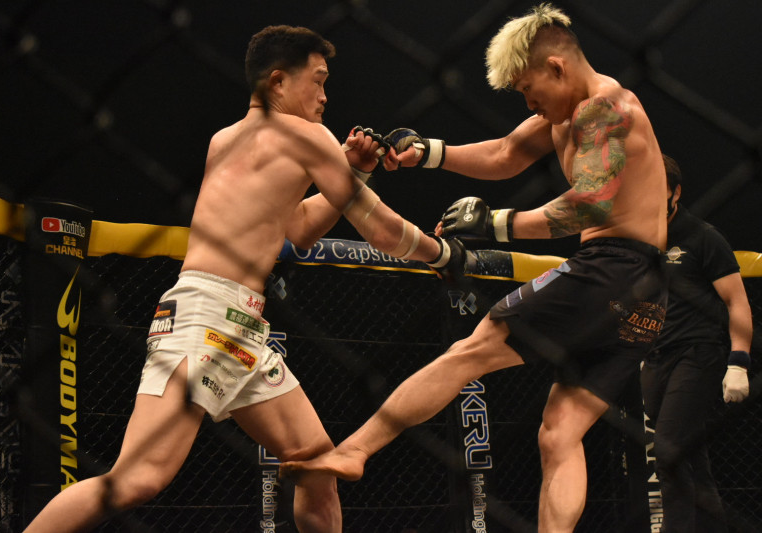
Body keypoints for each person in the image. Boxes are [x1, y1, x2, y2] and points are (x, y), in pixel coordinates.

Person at [23, 25, 464, 533]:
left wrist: (354, 173)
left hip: (239, 326)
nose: (325, 96)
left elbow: (297, 229)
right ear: (278, 81)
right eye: (318, 80)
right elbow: (381, 228)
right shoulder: (307, 136)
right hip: (207, 318)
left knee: (318, 466)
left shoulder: (226, 139)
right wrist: (442, 254)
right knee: (137, 479)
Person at [280, 4, 669, 531]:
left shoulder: (604, 109)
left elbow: (591, 204)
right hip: (644, 298)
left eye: (528, 88)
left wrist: (497, 222)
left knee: (470, 351)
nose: (528, 102)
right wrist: (430, 153)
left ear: (556, 66)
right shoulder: (568, 114)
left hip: (610, 270)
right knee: (559, 432)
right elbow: (506, 153)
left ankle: (355, 450)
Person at [640, 155, 752, 533]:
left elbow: (737, 301)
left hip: (697, 353)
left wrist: (738, 360)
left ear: (675, 192)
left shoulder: (703, 236)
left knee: (668, 452)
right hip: (655, 358)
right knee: (693, 459)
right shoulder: (637, 238)